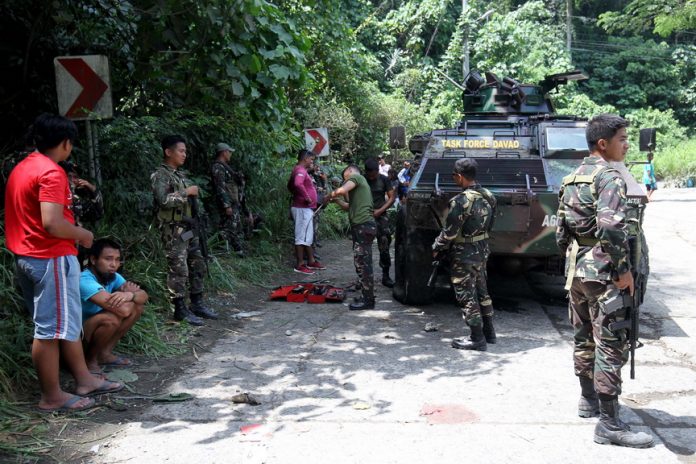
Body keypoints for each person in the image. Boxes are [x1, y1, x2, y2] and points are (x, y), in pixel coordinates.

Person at [5, 113, 122, 413]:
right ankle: (52, 395)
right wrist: (84, 234)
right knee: (49, 330)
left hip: (28, 257)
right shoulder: (51, 172)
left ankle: (84, 378)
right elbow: (53, 223)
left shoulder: (22, 168)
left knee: (64, 324)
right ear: (67, 143)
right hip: (50, 257)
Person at [556, 113, 654, 448]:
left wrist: (576, 260)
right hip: (606, 272)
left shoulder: (571, 178)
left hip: (579, 270)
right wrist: (624, 269)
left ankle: (588, 400)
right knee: (611, 344)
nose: (626, 145)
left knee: (583, 336)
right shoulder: (609, 177)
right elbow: (612, 226)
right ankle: (609, 424)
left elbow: (560, 231)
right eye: (623, 139)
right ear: (603, 143)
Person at [151, 135, 218, 326]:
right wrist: (186, 192)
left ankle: (197, 302)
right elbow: (163, 200)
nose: (184, 154)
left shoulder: (179, 175)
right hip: (173, 231)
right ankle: (179, 308)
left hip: (187, 229)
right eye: (181, 151)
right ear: (168, 152)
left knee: (197, 262)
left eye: (185, 151)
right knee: (178, 268)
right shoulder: (160, 175)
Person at [432, 158, 496, 351]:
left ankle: (477, 339)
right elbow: (491, 224)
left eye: (454, 175)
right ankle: (489, 333)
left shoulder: (461, 201)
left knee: (466, 294)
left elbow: (450, 233)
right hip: (482, 249)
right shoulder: (488, 196)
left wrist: (436, 246)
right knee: (482, 290)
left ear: (459, 176)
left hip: (464, 253)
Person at [80, 238, 148, 373]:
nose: (114, 264)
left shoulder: (113, 276)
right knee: (111, 318)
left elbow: (144, 297)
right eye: (108, 259)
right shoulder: (84, 280)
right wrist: (130, 298)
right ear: (93, 260)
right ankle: (90, 361)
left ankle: (104, 354)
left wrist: (130, 295)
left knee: (137, 307)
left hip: (94, 328)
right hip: (77, 337)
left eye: (117, 259)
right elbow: (123, 310)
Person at [326, 165, 376, 310]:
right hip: (361, 226)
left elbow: (341, 191)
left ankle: (368, 301)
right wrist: (336, 201)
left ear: (349, 172)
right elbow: (349, 206)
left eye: (344, 178)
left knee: (365, 265)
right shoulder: (360, 186)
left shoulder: (356, 177)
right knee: (360, 262)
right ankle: (366, 295)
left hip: (363, 226)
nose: (344, 181)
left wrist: (329, 196)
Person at [288, 149, 325, 275]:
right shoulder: (300, 170)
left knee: (307, 236)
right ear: (305, 159)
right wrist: (307, 197)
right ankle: (300, 264)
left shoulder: (300, 170)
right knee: (301, 237)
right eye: (311, 159)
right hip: (302, 208)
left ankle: (311, 260)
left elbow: (291, 186)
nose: (311, 162)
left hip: (305, 209)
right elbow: (298, 184)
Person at [364, 158, 396, 287]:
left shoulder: (384, 179)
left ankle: (386, 275)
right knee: (363, 247)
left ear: (378, 171)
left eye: (374, 175)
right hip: (365, 215)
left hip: (380, 215)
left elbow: (392, 197)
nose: (372, 178)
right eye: (369, 175)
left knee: (384, 245)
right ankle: (364, 276)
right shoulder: (362, 179)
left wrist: (380, 210)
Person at [211, 142, 246, 257]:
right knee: (228, 228)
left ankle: (232, 250)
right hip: (227, 203)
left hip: (232, 202)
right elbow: (220, 187)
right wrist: (226, 205)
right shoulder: (218, 167)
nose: (230, 154)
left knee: (233, 227)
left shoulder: (225, 166)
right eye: (229, 152)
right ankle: (226, 250)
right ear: (224, 152)